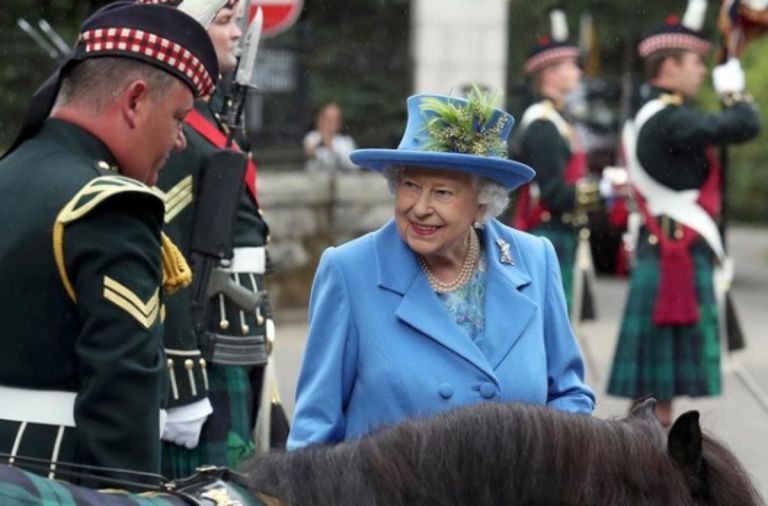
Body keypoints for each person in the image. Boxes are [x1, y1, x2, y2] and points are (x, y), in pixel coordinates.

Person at [288, 87, 595, 449]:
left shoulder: (533, 259)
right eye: (410, 185)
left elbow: (570, 397)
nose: (420, 207)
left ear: (483, 204)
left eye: (443, 192)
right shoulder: (349, 271)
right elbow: (313, 434)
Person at [0, 1, 218, 485]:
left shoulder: (7, 174)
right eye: (180, 116)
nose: (181, 140)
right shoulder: (110, 208)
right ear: (136, 100)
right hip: (52, 478)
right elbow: (122, 406)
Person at [607, 1, 761, 427]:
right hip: (674, 255)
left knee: (660, 385)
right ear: (669, 66)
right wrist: (732, 86)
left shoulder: (662, 117)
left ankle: (650, 460)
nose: (701, 70)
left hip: (674, 250)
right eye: (695, 61)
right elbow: (744, 125)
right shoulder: (666, 122)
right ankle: (650, 464)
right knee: (657, 387)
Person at [153, 0, 287, 478]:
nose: (236, 33)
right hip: (206, 338)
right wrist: (181, 373)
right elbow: (165, 252)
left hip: (239, 330)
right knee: (209, 483)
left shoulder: (210, 115)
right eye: (223, 20)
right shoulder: (178, 128)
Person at [512, 8, 602, 318]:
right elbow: (552, 192)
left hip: (560, 232)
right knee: (548, 324)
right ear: (549, 74)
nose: (578, 73)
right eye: (570, 67)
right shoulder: (542, 124)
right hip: (546, 231)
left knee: (559, 320)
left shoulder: (557, 120)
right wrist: (601, 191)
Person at [303, 102, 359, 172]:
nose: (330, 124)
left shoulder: (346, 142)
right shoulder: (312, 137)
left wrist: (330, 146)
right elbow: (309, 154)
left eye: (334, 120)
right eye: (327, 119)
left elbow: (353, 166)